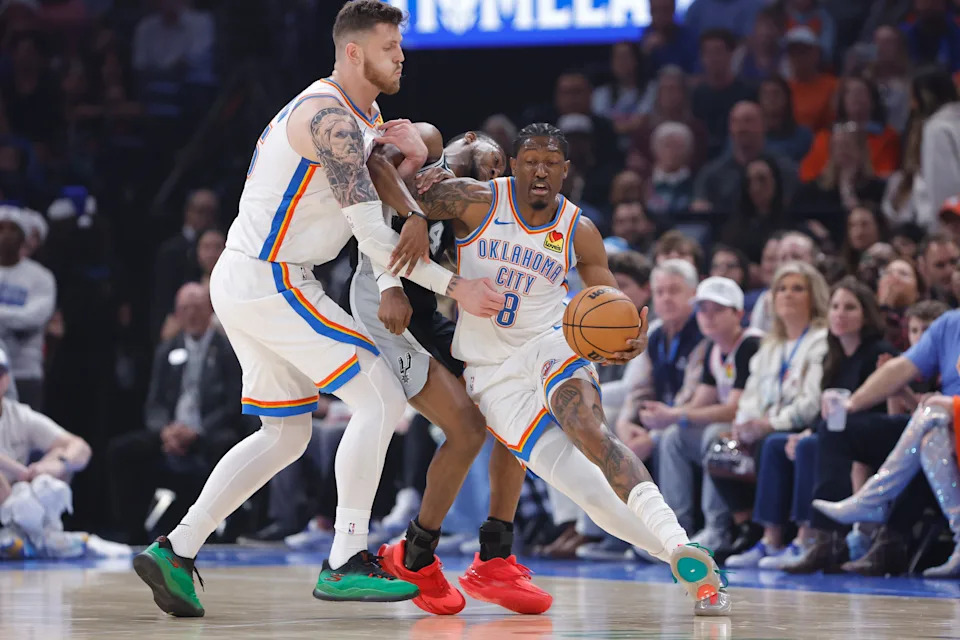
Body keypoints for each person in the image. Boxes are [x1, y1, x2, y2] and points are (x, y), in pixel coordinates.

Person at [132, 1, 504, 617]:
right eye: (389, 47)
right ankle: (345, 558)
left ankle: (177, 548)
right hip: (272, 278)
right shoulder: (329, 117)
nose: (401, 57)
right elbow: (368, 226)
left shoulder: (364, 116)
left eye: (400, 46)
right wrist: (448, 284)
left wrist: (415, 186)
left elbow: (377, 206)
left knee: (286, 433)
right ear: (354, 52)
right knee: (379, 397)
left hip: (253, 276)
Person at [404, 122, 730, 615]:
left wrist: (627, 336)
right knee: (586, 490)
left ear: (566, 170)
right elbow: (398, 203)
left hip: (551, 343)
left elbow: (610, 299)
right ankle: (683, 559)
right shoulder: (477, 200)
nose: (540, 171)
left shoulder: (579, 229)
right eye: (531, 161)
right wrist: (415, 215)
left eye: (551, 163)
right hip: (492, 372)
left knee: (592, 432)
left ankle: (679, 539)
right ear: (515, 165)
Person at [352, 126, 552, 615]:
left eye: (502, 172)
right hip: (382, 304)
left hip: (425, 310)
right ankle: (415, 558)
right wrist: (413, 223)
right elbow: (371, 174)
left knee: (510, 409)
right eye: (496, 159)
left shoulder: (472, 206)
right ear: (472, 137)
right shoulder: (427, 141)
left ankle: (495, 558)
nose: (496, 171)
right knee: (466, 429)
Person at [108, 283, 246, 543]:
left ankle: (226, 531)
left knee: (227, 443)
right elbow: (154, 404)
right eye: (185, 309)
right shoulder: (167, 349)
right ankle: (132, 530)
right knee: (122, 451)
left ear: (210, 310)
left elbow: (232, 404)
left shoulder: (227, 350)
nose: (191, 314)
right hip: (170, 432)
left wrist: (197, 431)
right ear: (176, 314)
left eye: (197, 308)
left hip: (208, 433)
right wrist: (166, 431)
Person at [641, 277, 762, 550]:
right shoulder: (713, 349)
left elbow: (734, 409)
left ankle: (717, 529)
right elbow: (700, 402)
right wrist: (668, 416)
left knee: (712, 435)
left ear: (738, 314)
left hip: (756, 430)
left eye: (717, 309)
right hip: (736, 430)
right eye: (703, 309)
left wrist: (675, 415)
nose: (708, 316)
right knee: (673, 436)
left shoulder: (750, 345)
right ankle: (675, 529)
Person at [0, 205, 56, 411]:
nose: (6, 235)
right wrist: (12, 317)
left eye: (12, 229)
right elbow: (21, 317)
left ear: (23, 237)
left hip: (25, 371)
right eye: (1, 228)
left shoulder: (41, 277)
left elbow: (33, 317)